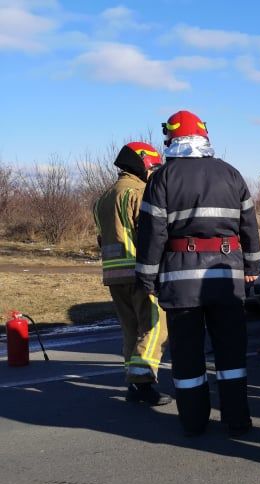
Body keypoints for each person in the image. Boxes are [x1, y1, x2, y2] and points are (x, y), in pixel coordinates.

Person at [135, 110, 260, 437]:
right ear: (204, 137)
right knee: (231, 354)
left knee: (188, 357)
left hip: (181, 283)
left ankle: (193, 421)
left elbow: (152, 235)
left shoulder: (163, 178)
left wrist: (146, 279)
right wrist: (252, 266)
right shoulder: (231, 174)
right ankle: (237, 421)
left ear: (172, 139)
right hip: (227, 280)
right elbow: (249, 227)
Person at [93, 142, 170, 405]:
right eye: (153, 166)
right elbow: (149, 235)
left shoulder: (104, 197)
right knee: (154, 326)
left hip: (113, 276)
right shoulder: (139, 193)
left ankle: (132, 383)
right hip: (139, 272)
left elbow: (103, 239)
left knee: (130, 328)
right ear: (143, 163)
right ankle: (143, 383)